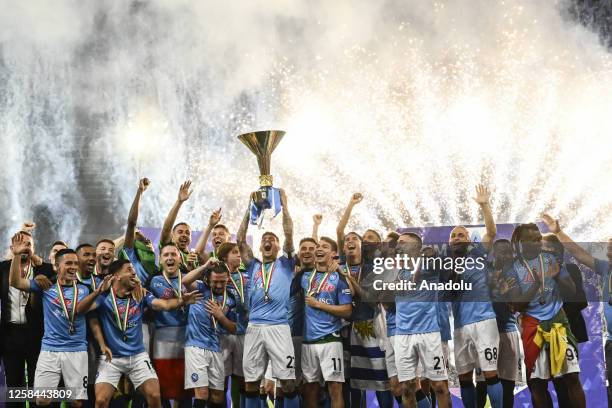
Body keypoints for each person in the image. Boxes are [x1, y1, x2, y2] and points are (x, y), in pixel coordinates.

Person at [76, 259, 201, 408]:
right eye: (129, 269)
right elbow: (81, 310)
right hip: (112, 358)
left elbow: (163, 305)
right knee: (101, 401)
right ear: (117, 276)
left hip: (137, 356)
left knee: (154, 396)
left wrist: (182, 301)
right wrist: (98, 292)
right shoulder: (104, 297)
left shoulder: (141, 294)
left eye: (133, 269)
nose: (134, 272)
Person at [9, 240, 111, 407]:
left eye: (75, 263)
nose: (73, 267)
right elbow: (15, 282)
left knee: (77, 402)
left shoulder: (85, 290)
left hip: (77, 351)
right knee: (42, 400)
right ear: (56, 266)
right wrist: (16, 255)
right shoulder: (46, 286)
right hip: (50, 350)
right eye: (68, 263)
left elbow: (85, 312)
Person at [507, 223, 584, 408]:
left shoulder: (551, 259)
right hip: (533, 326)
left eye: (539, 238)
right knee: (537, 383)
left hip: (559, 322)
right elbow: (517, 305)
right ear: (521, 242)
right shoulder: (512, 269)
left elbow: (572, 292)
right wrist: (536, 284)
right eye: (533, 240)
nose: (538, 242)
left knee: (571, 377)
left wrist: (557, 276)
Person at [237, 188, 300, 408]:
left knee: (288, 382)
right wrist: (249, 208)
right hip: (254, 327)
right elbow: (239, 239)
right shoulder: (253, 265)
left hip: (279, 328)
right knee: (251, 383)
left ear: (278, 246)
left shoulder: (286, 263)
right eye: (265, 238)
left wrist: (284, 205)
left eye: (272, 239)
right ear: (260, 246)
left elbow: (290, 234)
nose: (268, 241)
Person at [449, 184, 503, 408]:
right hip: (460, 325)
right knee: (463, 376)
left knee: (490, 372)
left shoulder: (478, 253)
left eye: (461, 234)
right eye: (454, 236)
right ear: (450, 242)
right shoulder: (443, 263)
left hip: (483, 321)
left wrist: (485, 206)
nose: (457, 237)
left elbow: (491, 232)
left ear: (469, 239)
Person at [336, 193, 392, 407]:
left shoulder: (372, 269)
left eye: (355, 239)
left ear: (362, 247)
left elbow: (369, 298)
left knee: (380, 377)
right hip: (345, 328)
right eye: (347, 240)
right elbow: (340, 230)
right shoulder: (341, 263)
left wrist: (348, 278)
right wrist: (350, 204)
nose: (350, 241)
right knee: (352, 380)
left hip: (369, 325)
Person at [394, 232, 451, 408]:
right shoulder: (394, 271)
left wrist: (432, 255)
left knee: (439, 386)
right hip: (403, 335)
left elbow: (443, 264)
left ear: (416, 247)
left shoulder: (431, 265)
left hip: (429, 333)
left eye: (402, 243)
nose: (398, 246)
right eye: (398, 243)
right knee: (407, 388)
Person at [0, 229, 53, 408]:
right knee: (14, 386)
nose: (25, 247)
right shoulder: (2, 268)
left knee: (38, 387)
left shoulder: (45, 269)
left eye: (28, 244)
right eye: (20, 244)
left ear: (34, 248)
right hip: (10, 335)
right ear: (12, 248)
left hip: (37, 334)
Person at [301, 237, 352, 408]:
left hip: (330, 340)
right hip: (307, 341)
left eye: (324, 246)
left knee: (335, 388)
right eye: (318, 246)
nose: (319, 249)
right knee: (310, 389)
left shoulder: (338, 277)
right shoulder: (304, 276)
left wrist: (319, 305)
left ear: (333, 253)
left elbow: (347, 310)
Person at [182, 263, 237, 408]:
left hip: (216, 347)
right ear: (207, 280)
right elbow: (185, 281)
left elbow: (234, 328)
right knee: (202, 394)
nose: (218, 285)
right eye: (215, 281)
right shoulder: (200, 288)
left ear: (228, 279)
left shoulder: (230, 300)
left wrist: (221, 316)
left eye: (222, 281)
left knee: (218, 396)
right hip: (195, 347)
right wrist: (205, 265)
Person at [476, 239, 523, 408]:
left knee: (507, 384)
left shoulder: (515, 273)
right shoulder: (483, 271)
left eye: (508, 252)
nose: (505, 255)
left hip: (508, 330)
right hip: (485, 332)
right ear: (493, 253)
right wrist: (498, 291)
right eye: (500, 251)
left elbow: (518, 305)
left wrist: (510, 298)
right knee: (482, 384)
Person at [148, 244, 193, 407]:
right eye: (165, 255)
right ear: (160, 259)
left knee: (186, 387)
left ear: (180, 258)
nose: (170, 258)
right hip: (162, 338)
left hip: (187, 337)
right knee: (163, 387)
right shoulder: (154, 281)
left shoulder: (190, 279)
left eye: (173, 254)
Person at [216, 242, 249, 407]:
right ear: (224, 257)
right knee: (221, 378)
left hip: (243, 332)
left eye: (239, 252)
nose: (239, 255)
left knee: (242, 378)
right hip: (222, 333)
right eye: (234, 252)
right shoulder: (216, 277)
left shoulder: (246, 277)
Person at [159, 180, 198, 271]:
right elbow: (166, 229)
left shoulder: (194, 258)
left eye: (187, 233)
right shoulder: (168, 248)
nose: (184, 235)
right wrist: (179, 202)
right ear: (172, 235)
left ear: (191, 238)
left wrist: (191, 267)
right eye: (180, 232)